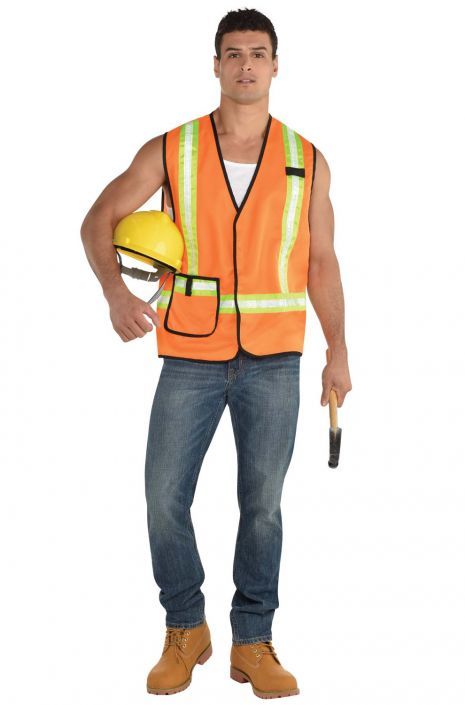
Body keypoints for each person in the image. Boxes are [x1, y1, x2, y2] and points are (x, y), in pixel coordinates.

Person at [80, 7, 352, 699]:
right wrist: (116, 294)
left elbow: (321, 260)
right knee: (162, 499)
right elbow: (97, 219)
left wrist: (338, 352)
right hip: (190, 355)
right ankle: (185, 626)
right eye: (232, 54)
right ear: (215, 65)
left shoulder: (306, 157)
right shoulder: (172, 149)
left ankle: (252, 641)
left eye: (257, 53)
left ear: (275, 65)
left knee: (262, 505)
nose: (245, 66)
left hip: (276, 360)